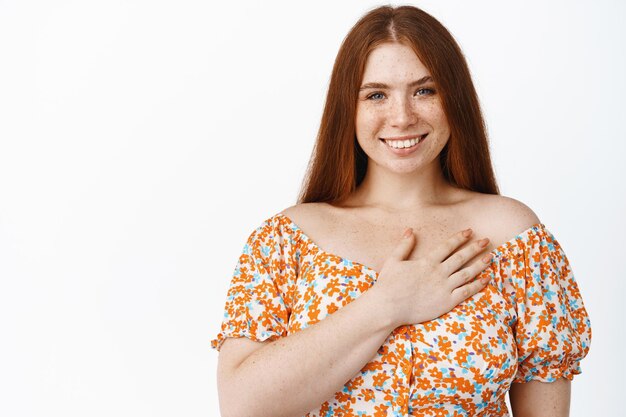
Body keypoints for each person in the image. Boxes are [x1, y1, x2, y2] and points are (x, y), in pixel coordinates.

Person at [210, 5, 591, 417]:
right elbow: (241, 405)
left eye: (425, 90)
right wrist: (387, 303)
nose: (402, 116)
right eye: (376, 94)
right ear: (347, 109)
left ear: (454, 98)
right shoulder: (286, 240)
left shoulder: (514, 238)